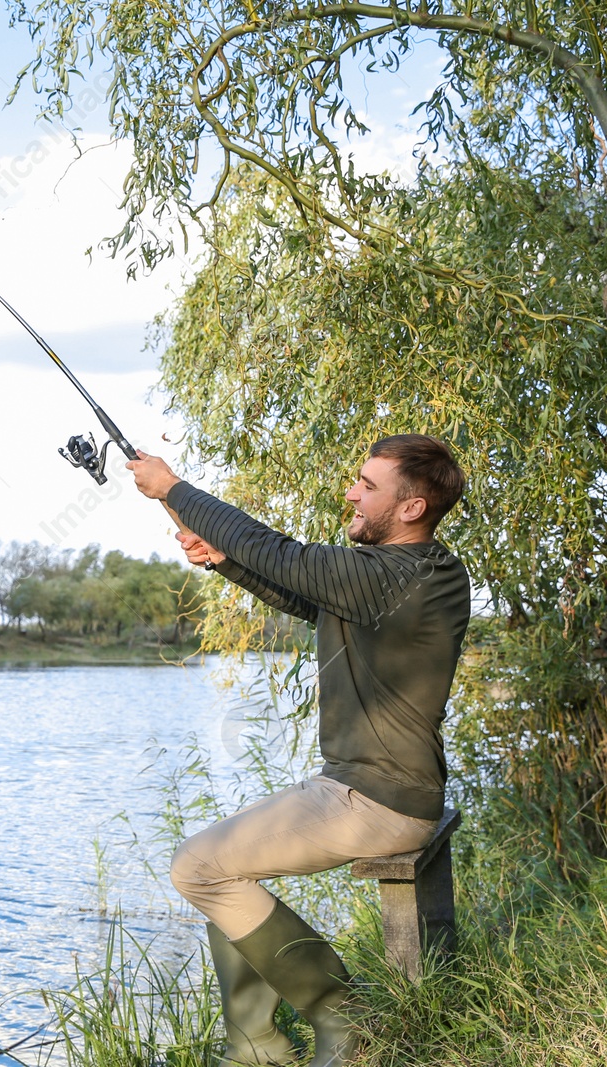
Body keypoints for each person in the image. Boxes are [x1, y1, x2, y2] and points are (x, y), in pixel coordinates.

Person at [126, 434, 470, 1067]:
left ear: (411, 509)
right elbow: (300, 593)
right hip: (363, 787)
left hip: (380, 799)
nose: (352, 492)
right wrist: (225, 562)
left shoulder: (397, 575)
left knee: (198, 869)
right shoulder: (415, 574)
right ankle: (256, 1046)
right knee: (216, 865)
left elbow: (281, 556)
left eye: (368, 485)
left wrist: (173, 488)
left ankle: (337, 1019)